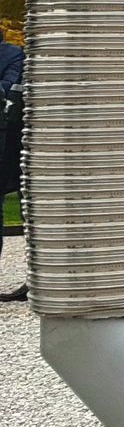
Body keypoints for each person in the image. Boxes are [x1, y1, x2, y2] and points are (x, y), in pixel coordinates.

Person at [0, 36, 26, 301]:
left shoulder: (13, 54)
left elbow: (9, 87)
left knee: (27, 208)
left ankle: (36, 279)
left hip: (9, 144)